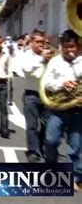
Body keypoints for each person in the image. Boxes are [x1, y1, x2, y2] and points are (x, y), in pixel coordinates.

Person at [41, 29, 82, 191]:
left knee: (75, 146)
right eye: (66, 47)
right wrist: (62, 84)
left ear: (77, 46)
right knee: (51, 140)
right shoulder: (55, 61)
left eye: (72, 47)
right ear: (61, 46)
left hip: (78, 110)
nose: (69, 50)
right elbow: (47, 82)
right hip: (59, 108)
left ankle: (76, 177)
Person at [20, 29, 51, 163]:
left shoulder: (50, 55)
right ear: (31, 42)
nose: (40, 45)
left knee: (47, 125)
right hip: (31, 94)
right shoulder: (26, 55)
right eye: (37, 42)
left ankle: (42, 147)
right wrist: (42, 59)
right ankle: (33, 151)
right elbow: (27, 69)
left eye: (42, 42)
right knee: (32, 125)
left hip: (48, 95)